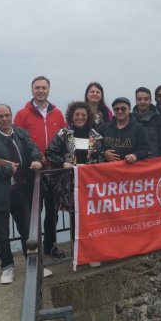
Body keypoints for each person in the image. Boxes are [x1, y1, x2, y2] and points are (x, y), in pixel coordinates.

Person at [0, 104, 46, 284]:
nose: (4, 119)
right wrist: (5, 171)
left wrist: (36, 159)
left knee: (28, 231)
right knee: (2, 234)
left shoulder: (21, 134)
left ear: (11, 115)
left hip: (21, 191)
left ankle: (34, 266)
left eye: (7, 115)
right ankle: (7, 267)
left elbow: (33, 148)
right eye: (0, 116)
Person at [13, 76, 68, 259]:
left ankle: (50, 245)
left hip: (54, 170)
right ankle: (33, 250)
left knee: (53, 211)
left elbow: (66, 138)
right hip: (33, 170)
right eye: (37, 87)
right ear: (32, 90)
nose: (40, 90)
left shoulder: (58, 113)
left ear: (49, 90)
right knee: (34, 212)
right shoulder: (22, 114)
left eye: (44, 87)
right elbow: (18, 141)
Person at [46, 101, 105, 266]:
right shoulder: (64, 134)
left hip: (91, 184)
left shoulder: (96, 135)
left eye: (83, 115)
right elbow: (50, 153)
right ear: (71, 116)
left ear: (88, 117)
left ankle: (92, 252)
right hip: (70, 184)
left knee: (92, 217)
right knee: (75, 218)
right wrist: (63, 163)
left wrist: (92, 166)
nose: (80, 117)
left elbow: (101, 156)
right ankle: (79, 252)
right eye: (77, 115)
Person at [101, 97, 149, 163]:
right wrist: (104, 153)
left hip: (130, 169)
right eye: (116, 109)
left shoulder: (140, 129)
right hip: (108, 169)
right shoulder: (104, 128)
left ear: (129, 109)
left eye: (123, 109)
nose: (120, 111)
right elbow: (96, 146)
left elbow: (145, 149)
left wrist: (135, 156)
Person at [132, 87, 161, 157]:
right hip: (134, 161)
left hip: (154, 162)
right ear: (136, 101)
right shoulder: (130, 119)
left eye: (146, 99)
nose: (142, 102)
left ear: (150, 100)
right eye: (139, 99)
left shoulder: (160, 119)